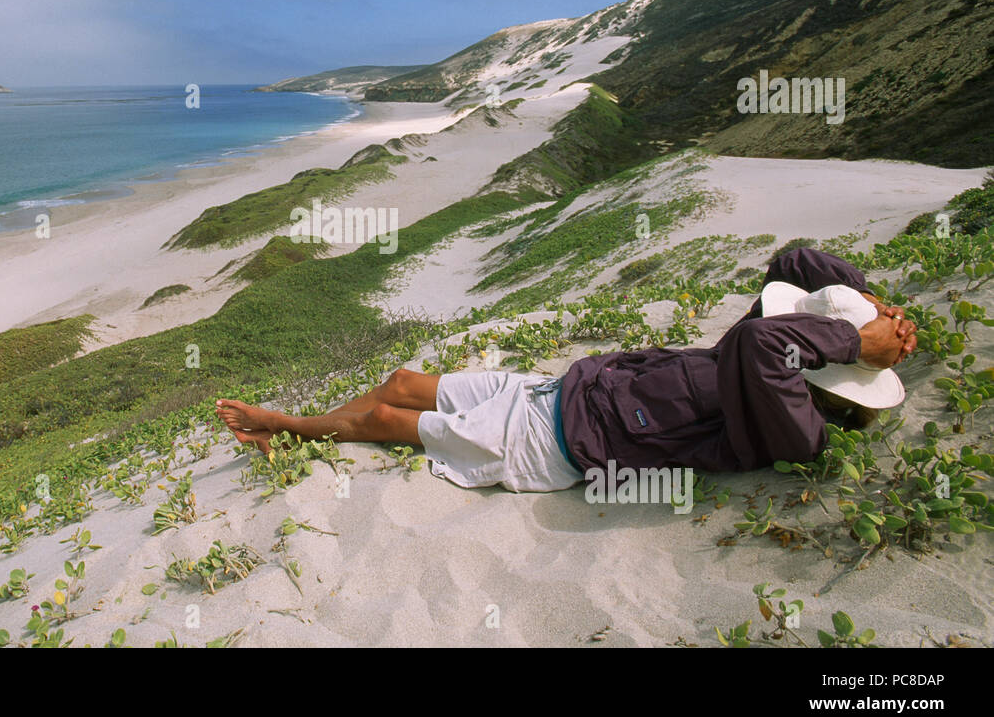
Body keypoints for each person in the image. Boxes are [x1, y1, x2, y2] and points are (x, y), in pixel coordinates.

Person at [214, 248, 917, 493]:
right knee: (400, 380)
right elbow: (791, 264)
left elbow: (761, 350)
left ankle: (287, 427)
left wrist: (857, 344)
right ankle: (302, 425)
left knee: (383, 419)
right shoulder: (784, 362)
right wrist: (865, 305)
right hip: (562, 389)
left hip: (550, 445)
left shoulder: (793, 429)